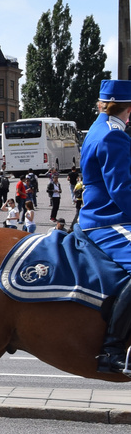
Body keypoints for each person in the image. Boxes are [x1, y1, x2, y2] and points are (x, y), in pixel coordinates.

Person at [78, 81, 131, 372]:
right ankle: (112, 348)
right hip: (109, 219)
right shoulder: (113, 136)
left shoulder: (99, 128)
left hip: (101, 214)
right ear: (129, 109)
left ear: (102, 103)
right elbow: (122, 190)